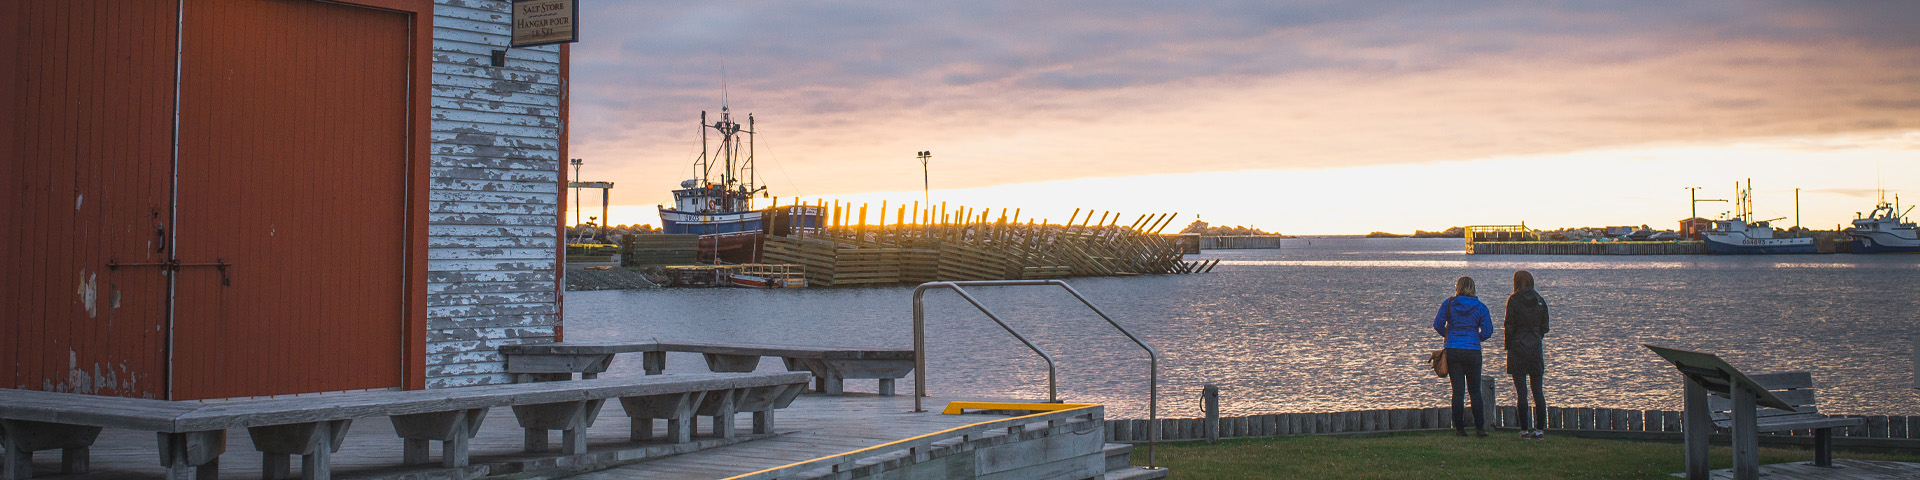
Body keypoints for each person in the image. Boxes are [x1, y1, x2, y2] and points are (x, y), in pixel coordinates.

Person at [1433, 276, 1493, 437]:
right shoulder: (1480, 307)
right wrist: (1475, 338)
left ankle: (1459, 428)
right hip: (1472, 350)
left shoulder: (1449, 304)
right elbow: (1488, 331)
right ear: (1473, 288)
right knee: (1475, 391)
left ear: (1457, 287)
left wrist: (1449, 335)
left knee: (1458, 392)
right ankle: (1480, 428)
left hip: (1453, 349)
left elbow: (1437, 324)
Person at [1505, 270, 1551, 439]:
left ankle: (1524, 429)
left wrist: (1509, 344)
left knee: (1521, 392)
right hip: (1535, 347)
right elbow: (1545, 326)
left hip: (1518, 346)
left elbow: (1509, 324)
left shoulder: (1514, 300)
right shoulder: (1540, 300)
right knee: (1538, 391)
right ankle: (1539, 429)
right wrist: (1537, 336)